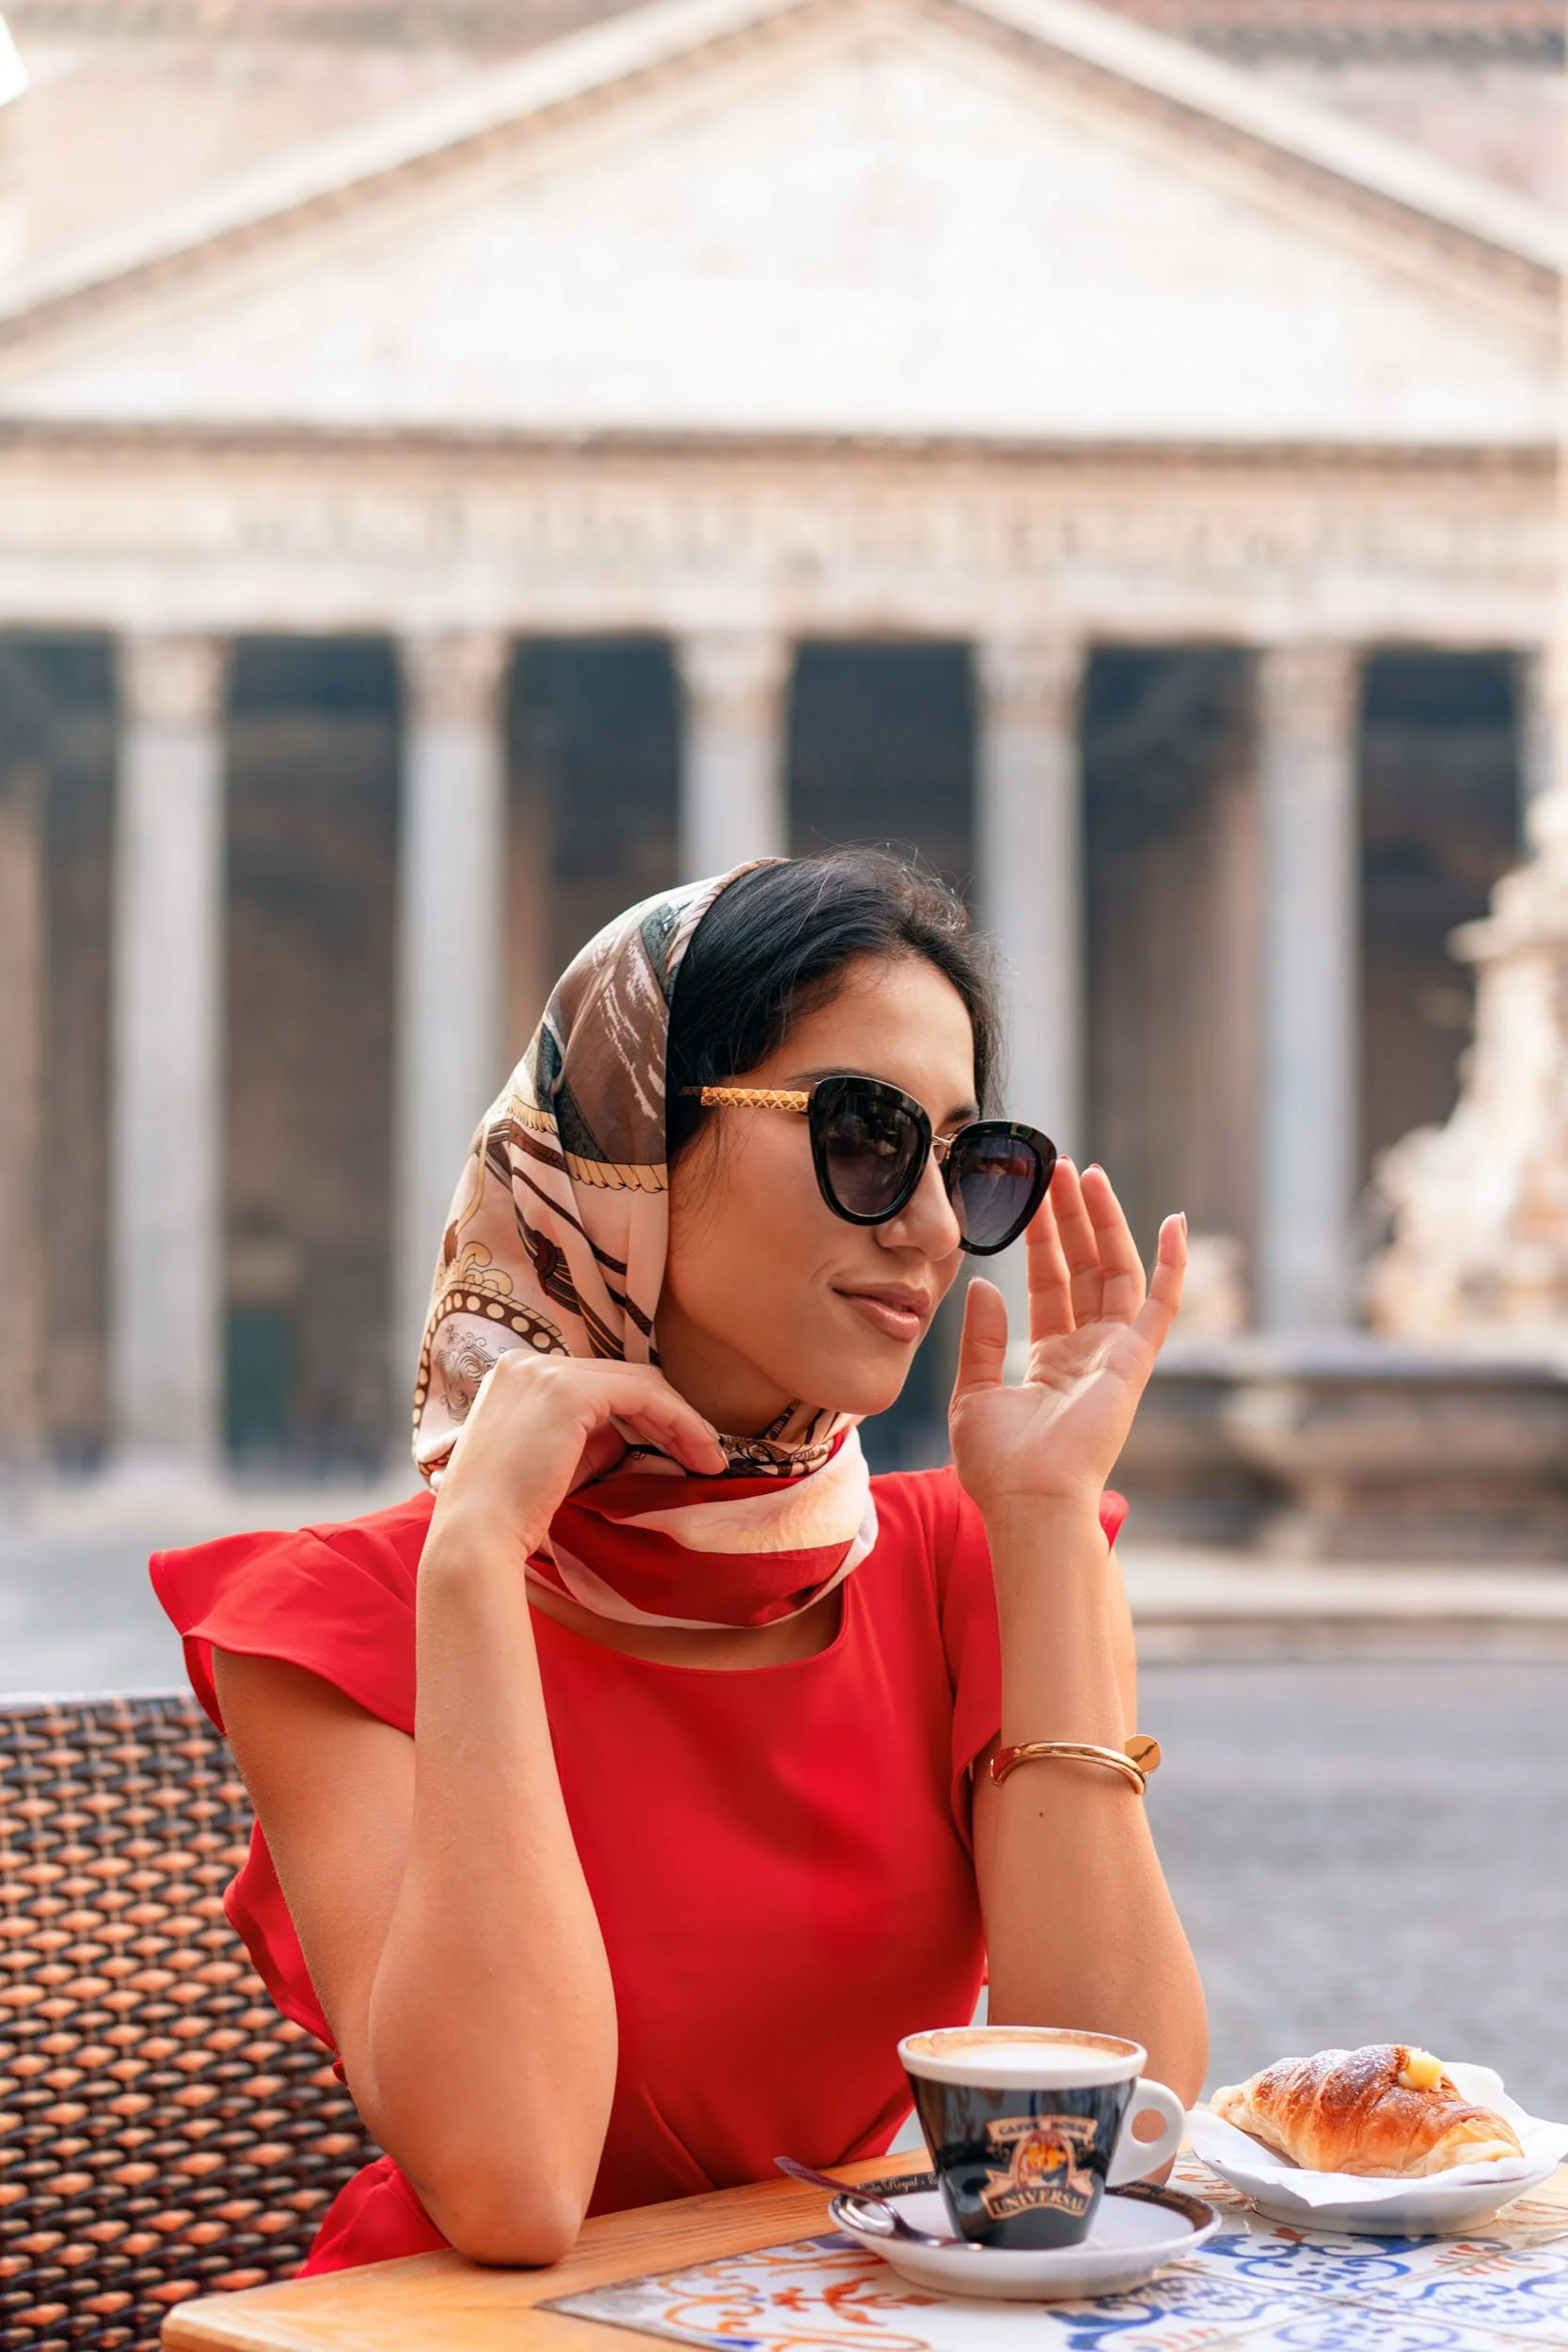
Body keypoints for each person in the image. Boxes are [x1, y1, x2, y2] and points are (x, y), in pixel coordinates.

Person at [152, 850, 1207, 2275]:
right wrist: (471, 1562)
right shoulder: (345, 1619)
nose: (932, 1227)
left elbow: (1111, 2123)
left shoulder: (969, 1557)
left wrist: (1042, 1522)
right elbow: (513, 2189)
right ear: (630, 1134)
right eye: (862, 1135)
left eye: (966, 1160)